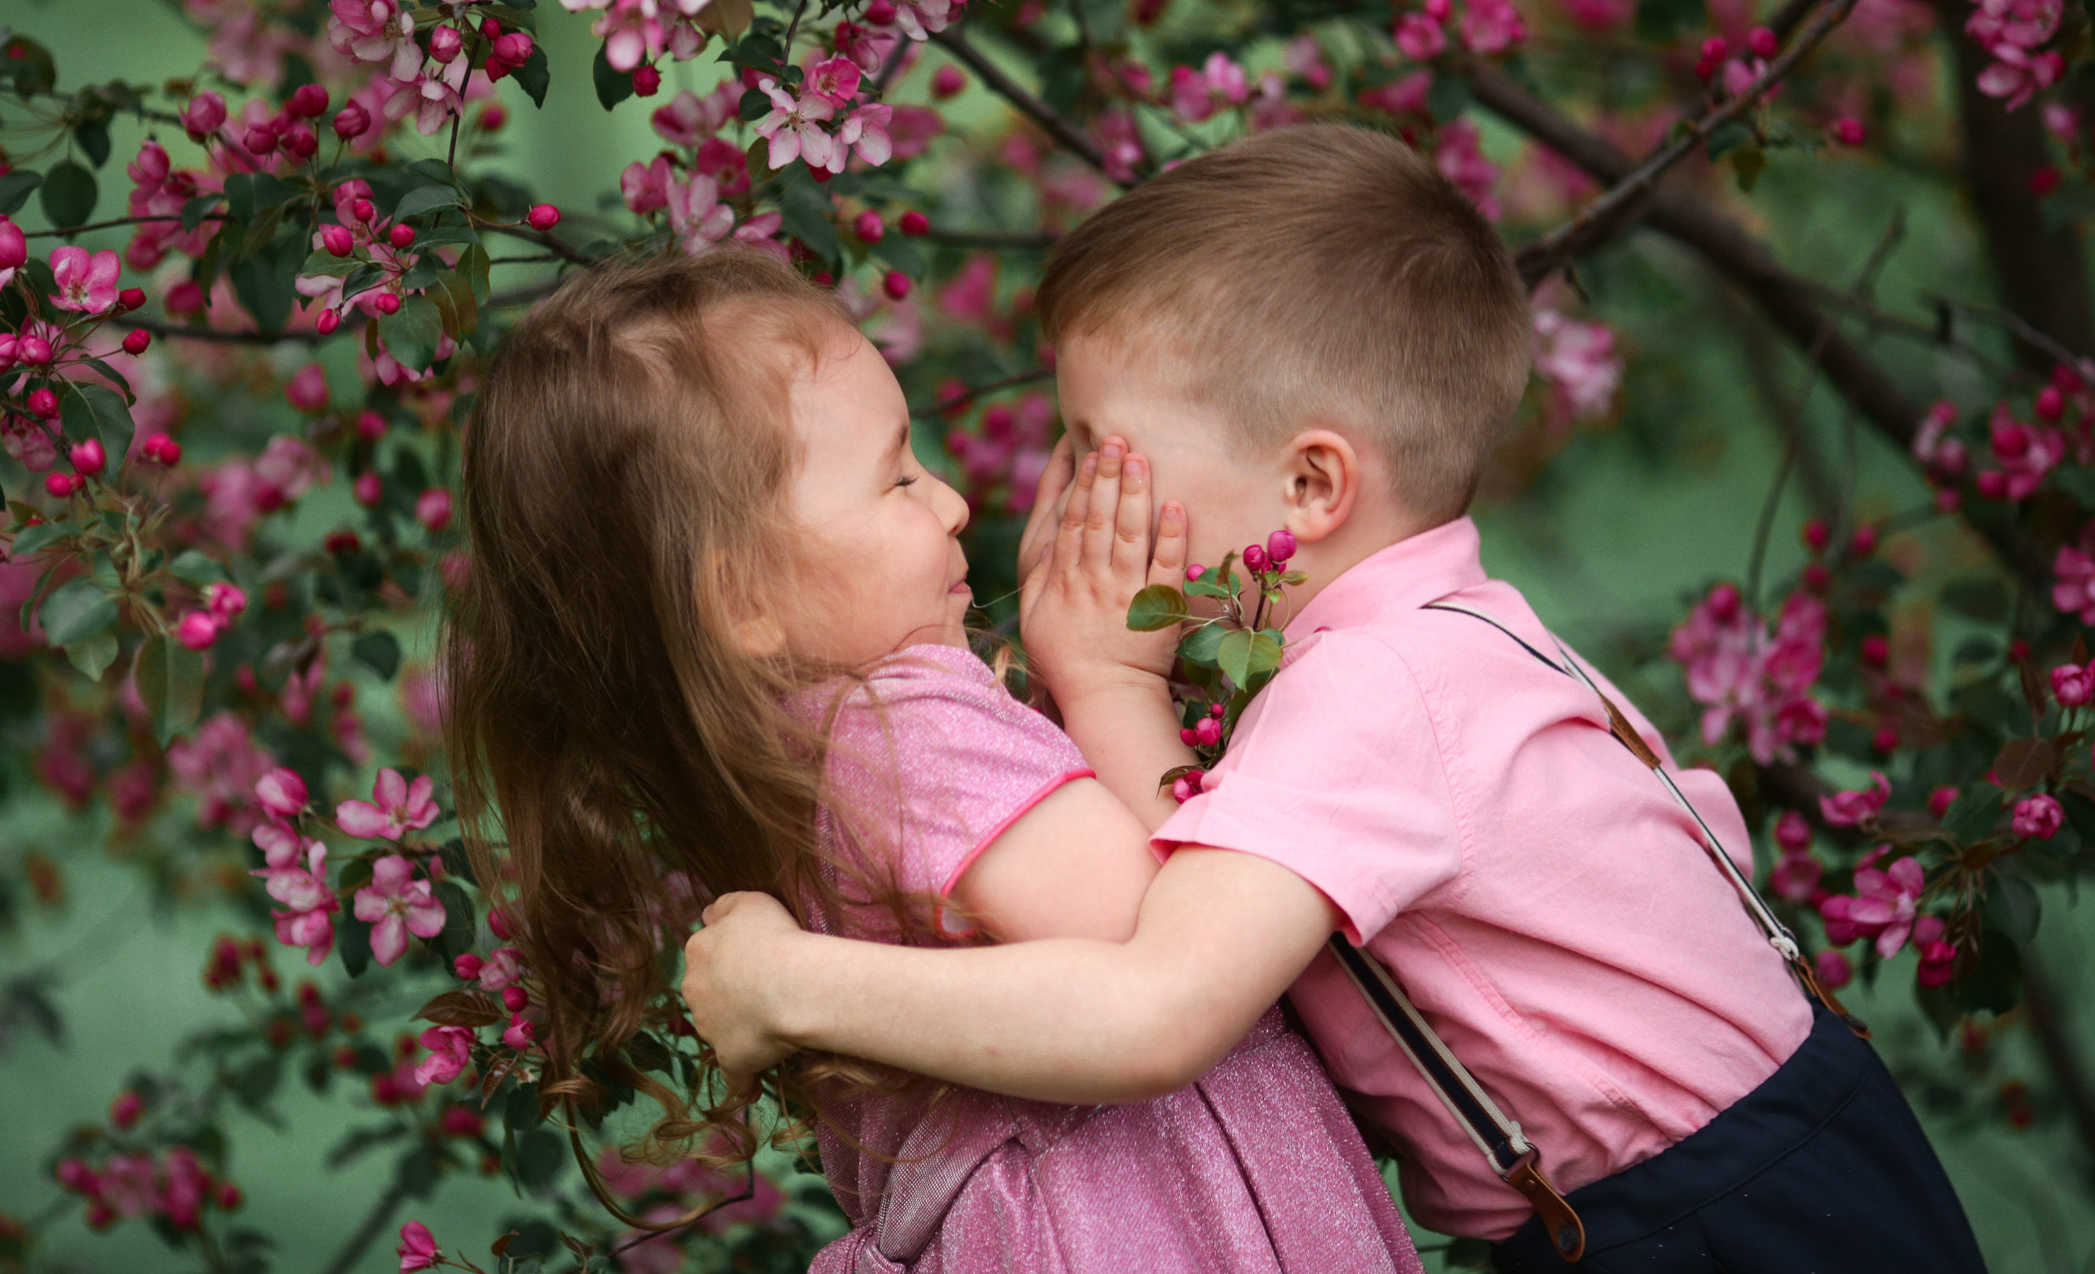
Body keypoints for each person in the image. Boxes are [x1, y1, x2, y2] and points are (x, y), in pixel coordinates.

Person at [681, 124, 1988, 1274]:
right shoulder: (1470, 633)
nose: (1054, 483)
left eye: (1094, 445)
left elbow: (1160, 1001)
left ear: (1309, 487)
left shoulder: (1369, 696)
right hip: (1804, 1144)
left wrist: (790, 980)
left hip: (1710, 1223)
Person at [440, 249, 1421, 1274]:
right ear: (744, 603)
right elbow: (1164, 942)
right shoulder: (907, 725)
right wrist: (1105, 681)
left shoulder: (792, 759)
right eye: (898, 478)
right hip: (1144, 1223)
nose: (951, 503)